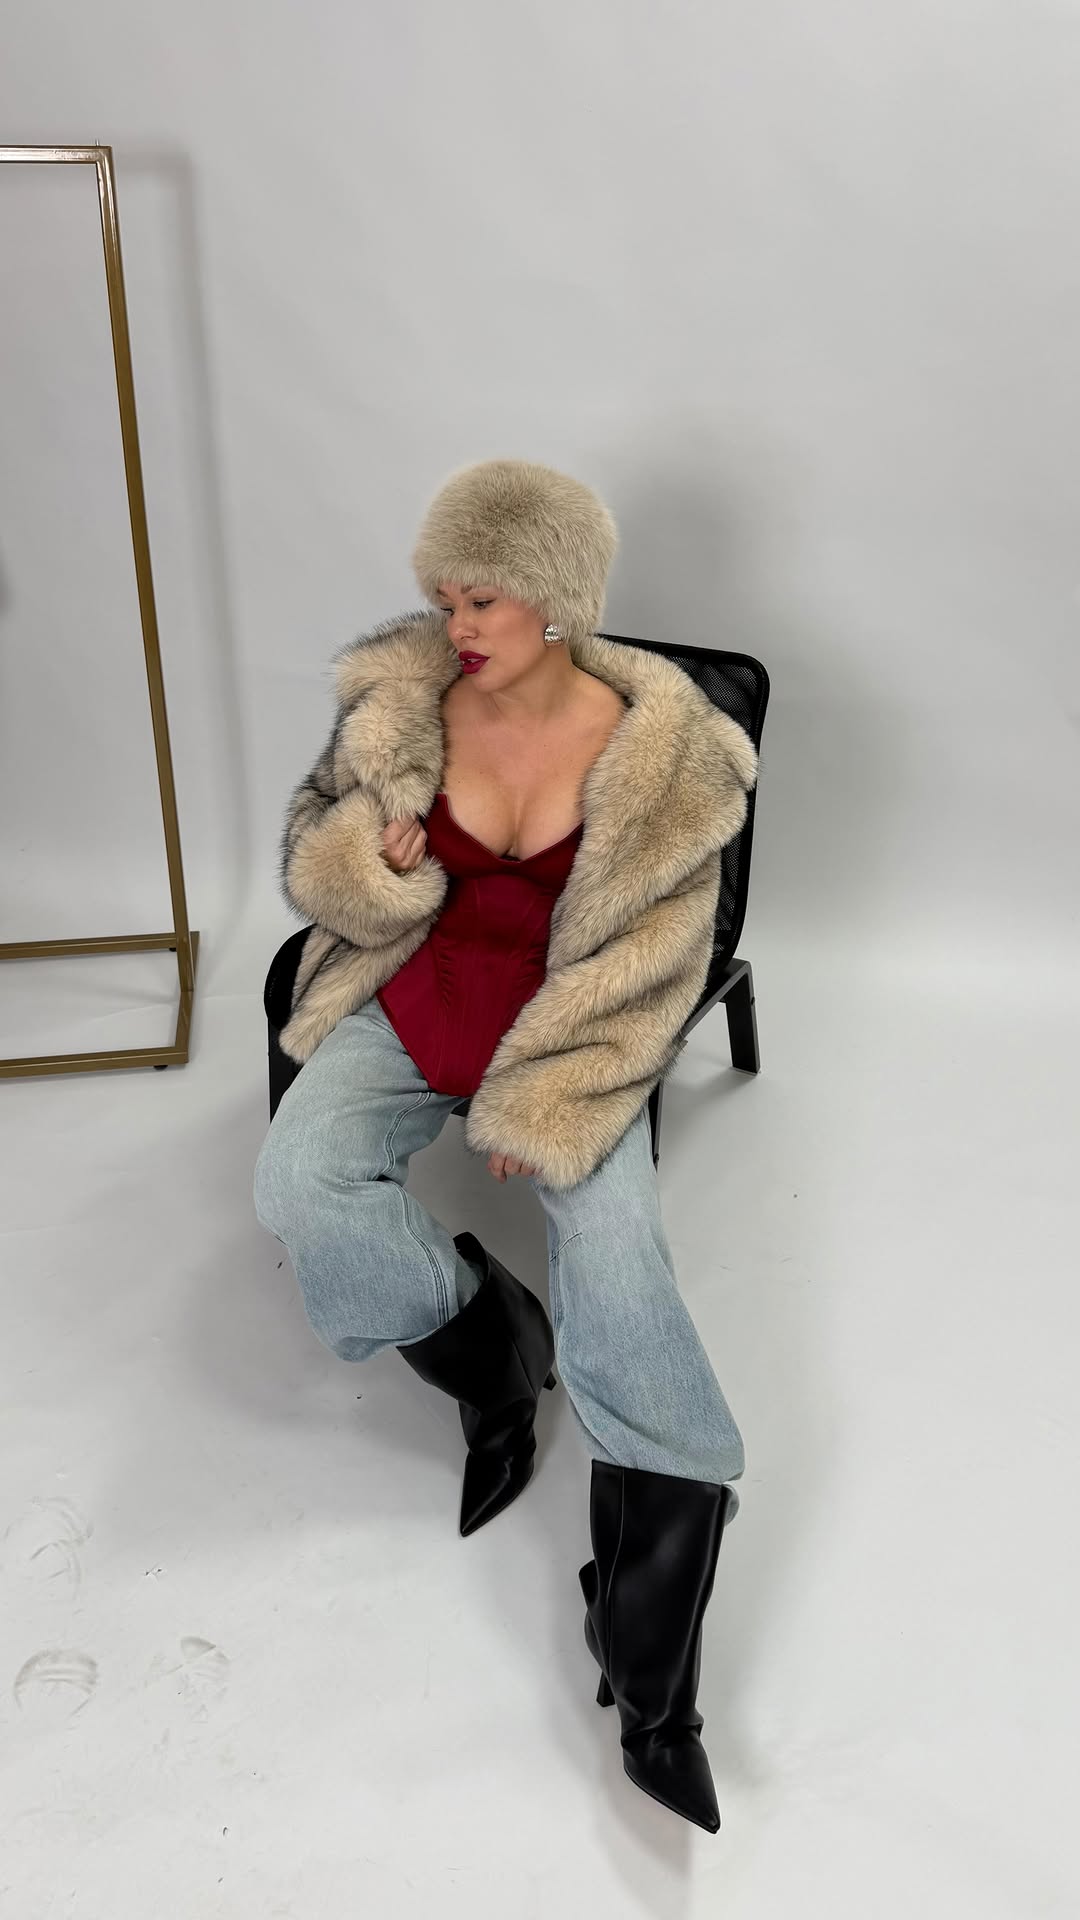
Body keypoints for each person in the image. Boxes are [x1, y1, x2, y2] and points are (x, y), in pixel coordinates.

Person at [254, 458, 759, 1834]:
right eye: (446, 596)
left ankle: (652, 1673)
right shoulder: (399, 704)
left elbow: (663, 968)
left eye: (484, 597)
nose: (458, 622)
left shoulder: (671, 759)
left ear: (556, 596)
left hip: (573, 1035)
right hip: (416, 996)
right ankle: (493, 1350)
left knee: (625, 1259)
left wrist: (548, 1107)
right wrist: (376, 865)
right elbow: (311, 859)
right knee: (299, 1183)